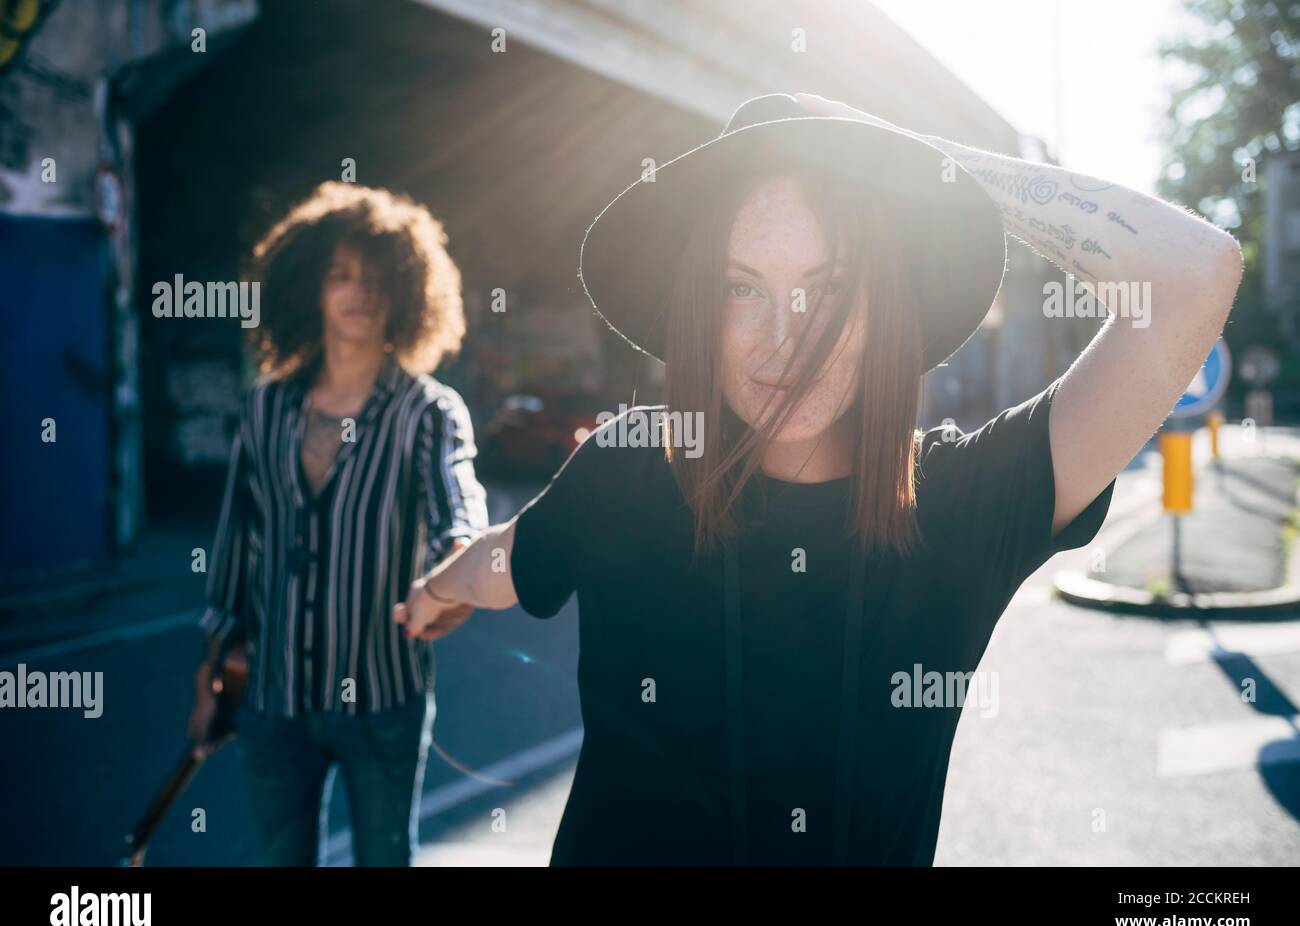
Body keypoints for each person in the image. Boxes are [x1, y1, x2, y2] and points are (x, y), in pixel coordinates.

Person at [395, 94, 1243, 865]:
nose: (783, 338)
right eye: (740, 287)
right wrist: (440, 587)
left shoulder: (962, 499)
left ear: (885, 307)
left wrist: (900, 151)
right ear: (699, 308)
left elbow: (1196, 274)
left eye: (827, 287)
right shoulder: (627, 465)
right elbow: (507, 559)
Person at [189, 181, 489, 866]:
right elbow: (235, 550)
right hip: (272, 702)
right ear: (309, 290)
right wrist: (209, 680)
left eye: (379, 278)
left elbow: (458, 506)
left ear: (410, 295)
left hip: (383, 704)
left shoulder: (429, 413)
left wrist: (459, 569)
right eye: (341, 275)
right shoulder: (265, 408)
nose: (361, 291)